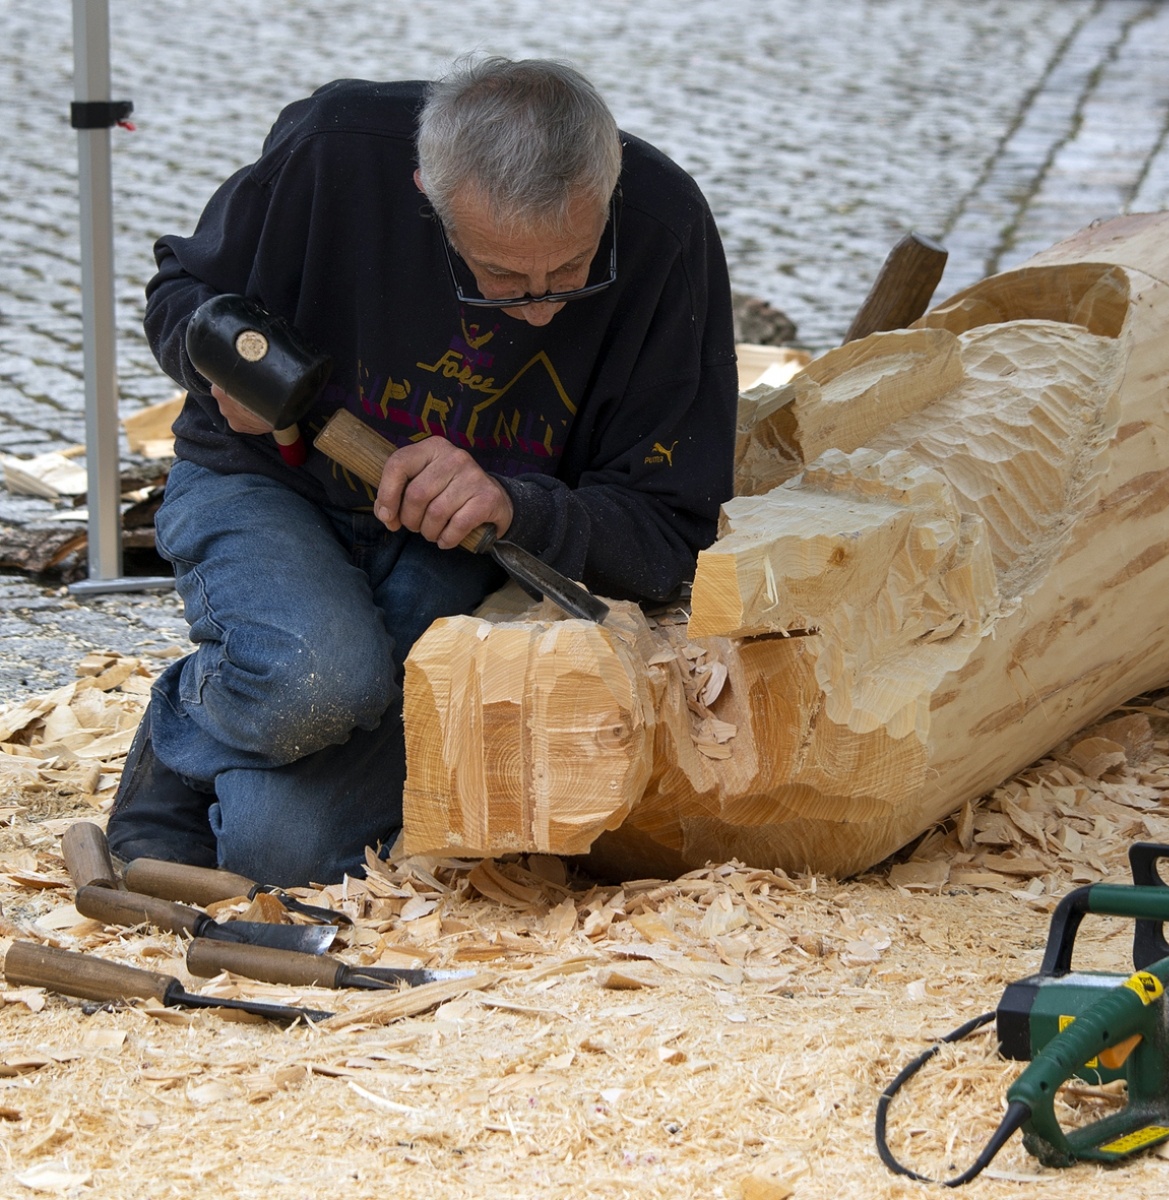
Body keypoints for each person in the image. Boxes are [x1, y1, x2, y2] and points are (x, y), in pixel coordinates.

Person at [107, 56, 739, 885]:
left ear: (609, 190)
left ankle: (229, 737)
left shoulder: (665, 230)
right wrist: (223, 361)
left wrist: (513, 506)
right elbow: (179, 293)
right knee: (318, 682)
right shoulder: (336, 152)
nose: (544, 307)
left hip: (455, 546)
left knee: (285, 854)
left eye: (574, 272)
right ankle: (180, 729)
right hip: (267, 481)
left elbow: (670, 530)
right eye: (504, 280)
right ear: (427, 196)